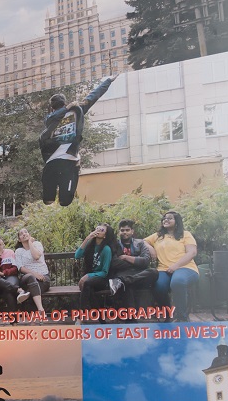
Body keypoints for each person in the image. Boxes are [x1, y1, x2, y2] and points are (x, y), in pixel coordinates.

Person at [38, 74, 117, 207]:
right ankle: (54, 195)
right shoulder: (51, 118)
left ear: (52, 107)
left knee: (61, 201)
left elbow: (92, 97)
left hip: (63, 159)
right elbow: (92, 97)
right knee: (51, 199)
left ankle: (60, 196)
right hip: (59, 160)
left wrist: (108, 81)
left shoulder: (75, 111)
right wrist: (67, 108)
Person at [144, 211, 199, 322]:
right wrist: (150, 248)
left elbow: (192, 252)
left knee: (177, 282)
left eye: (170, 218)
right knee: (158, 286)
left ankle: (182, 317)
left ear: (177, 221)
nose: (166, 220)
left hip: (185, 267)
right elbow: (143, 241)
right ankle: (168, 315)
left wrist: (175, 266)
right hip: (163, 269)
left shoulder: (185, 234)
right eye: (164, 218)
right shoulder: (158, 236)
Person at [110, 219, 159, 308]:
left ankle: (126, 280)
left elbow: (145, 261)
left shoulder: (140, 243)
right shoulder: (115, 244)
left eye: (127, 230)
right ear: (119, 232)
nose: (125, 232)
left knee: (153, 272)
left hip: (139, 274)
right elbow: (114, 263)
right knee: (128, 286)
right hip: (123, 273)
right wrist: (137, 260)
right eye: (122, 230)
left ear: (132, 231)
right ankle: (131, 315)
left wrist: (126, 257)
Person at [74, 223, 120, 309]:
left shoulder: (106, 249)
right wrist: (87, 238)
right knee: (88, 287)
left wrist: (88, 275)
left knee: (87, 283)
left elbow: (104, 272)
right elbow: (77, 255)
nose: (98, 230)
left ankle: (82, 313)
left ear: (105, 236)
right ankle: (97, 315)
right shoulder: (90, 245)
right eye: (97, 228)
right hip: (90, 279)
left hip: (102, 279)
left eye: (102, 230)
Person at [0, 235, 30, 305]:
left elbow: (15, 269)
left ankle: (13, 312)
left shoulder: (10, 252)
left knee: (8, 290)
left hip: (10, 277)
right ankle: (18, 290)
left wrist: (3, 273)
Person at [14, 228, 49, 312]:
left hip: (43, 277)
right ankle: (40, 309)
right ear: (19, 239)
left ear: (29, 235)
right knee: (31, 278)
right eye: (21, 234)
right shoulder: (18, 251)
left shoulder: (37, 244)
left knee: (33, 290)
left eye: (26, 232)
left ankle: (34, 316)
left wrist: (30, 242)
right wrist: (35, 274)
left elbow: (36, 256)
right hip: (27, 278)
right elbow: (21, 268)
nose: (24, 234)